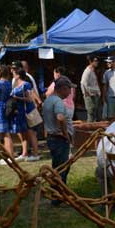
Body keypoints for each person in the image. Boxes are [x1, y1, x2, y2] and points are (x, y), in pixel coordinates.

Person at [42, 77, 75, 205]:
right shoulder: (58, 102)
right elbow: (60, 117)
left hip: (52, 137)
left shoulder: (48, 100)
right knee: (62, 169)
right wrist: (66, 134)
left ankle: (58, 194)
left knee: (57, 167)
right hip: (59, 139)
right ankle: (59, 197)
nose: (70, 92)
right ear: (63, 88)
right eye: (69, 89)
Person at [9, 67, 37, 161]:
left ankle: (35, 153)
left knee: (30, 132)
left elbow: (29, 98)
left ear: (18, 75)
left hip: (26, 112)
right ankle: (24, 153)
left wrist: (17, 98)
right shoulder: (16, 84)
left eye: (14, 73)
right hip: (19, 112)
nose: (13, 75)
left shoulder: (26, 84)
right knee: (22, 132)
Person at [80, 56, 102, 123]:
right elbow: (83, 83)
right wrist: (86, 93)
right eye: (95, 61)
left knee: (96, 114)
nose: (97, 62)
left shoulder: (92, 70)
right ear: (91, 62)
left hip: (95, 95)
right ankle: (89, 127)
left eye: (97, 61)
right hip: (90, 96)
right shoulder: (87, 71)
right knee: (91, 113)